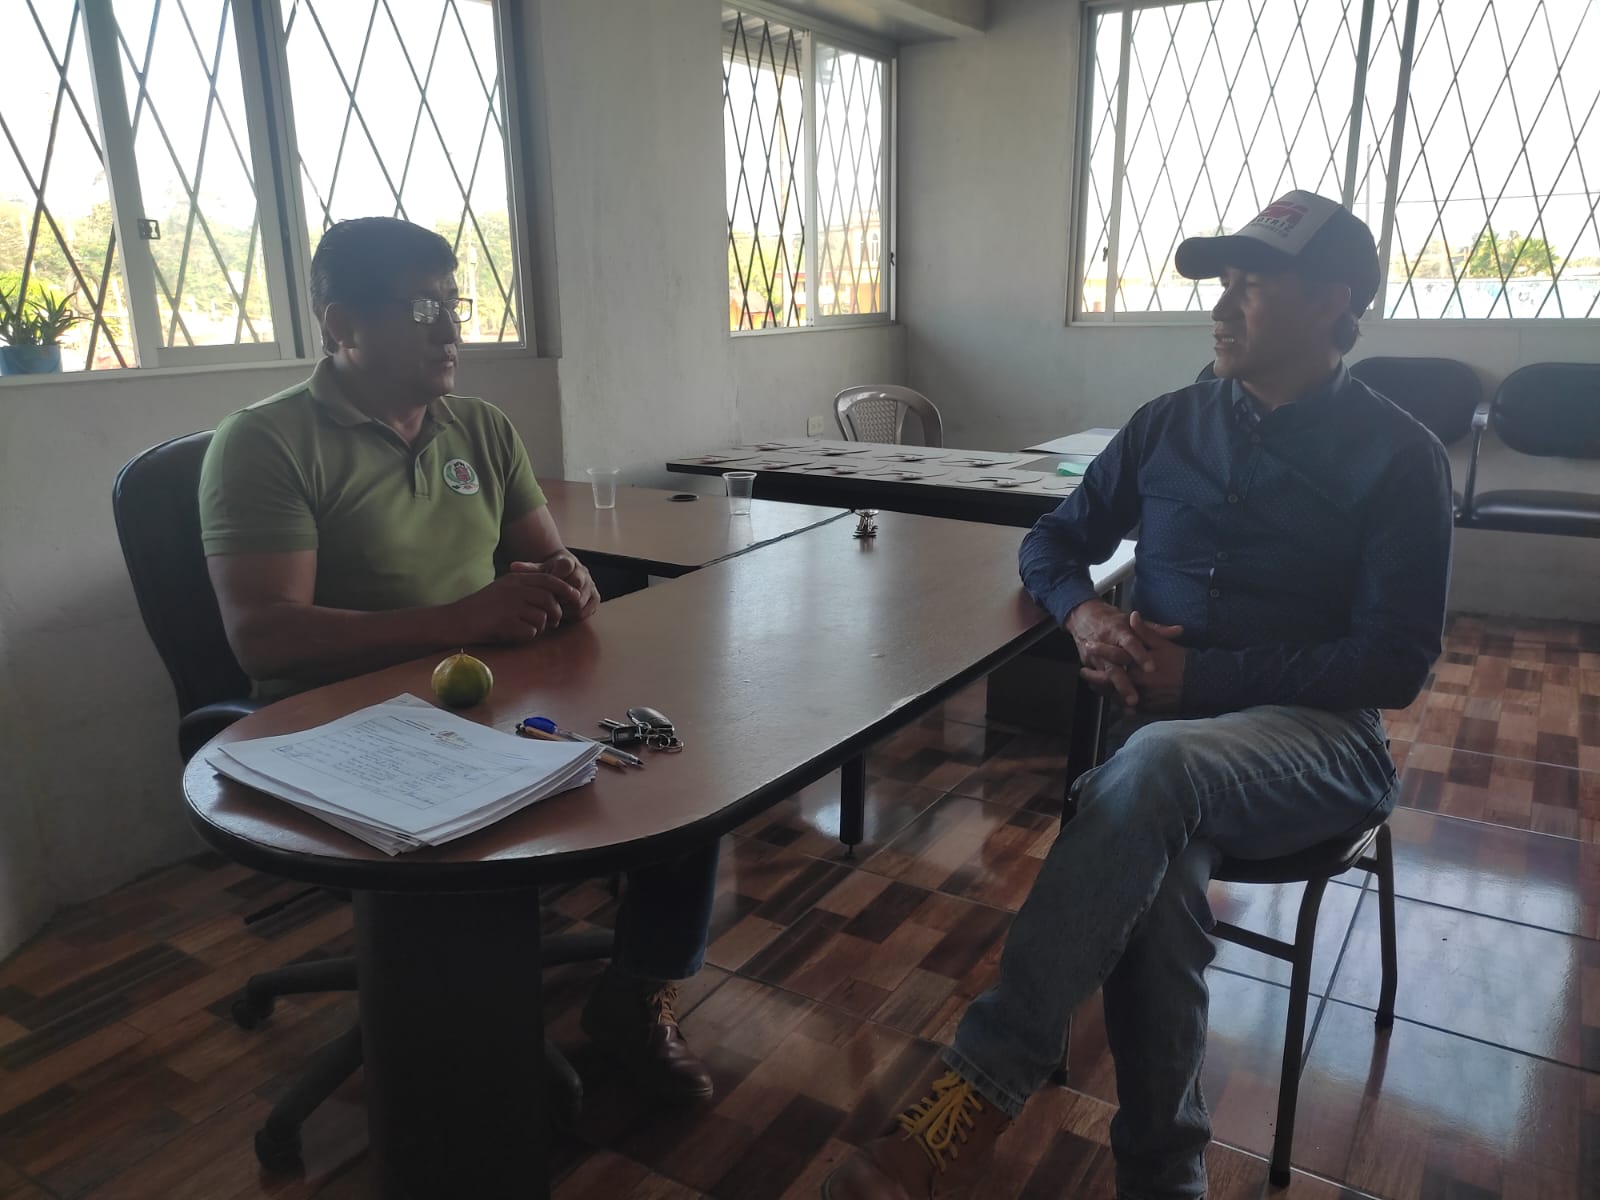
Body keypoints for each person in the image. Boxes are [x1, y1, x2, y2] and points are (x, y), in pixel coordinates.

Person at [824, 191, 1454, 1199]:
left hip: (1321, 746)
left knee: (1152, 763)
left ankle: (974, 1093)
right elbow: (1051, 541)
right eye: (1221, 281)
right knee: (1154, 875)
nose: (1222, 304)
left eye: (1252, 284)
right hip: (1163, 758)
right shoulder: (1169, 423)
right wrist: (1085, 617)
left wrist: (1201, 678)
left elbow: (1394, 664)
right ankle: (1167, 1180)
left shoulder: (1399, 456)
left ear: (1334, 299)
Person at [199, 216, 717, 1103]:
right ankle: (462, 1066)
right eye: (421, 308)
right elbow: (266, 636)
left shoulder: (480, 427)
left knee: (681, 775)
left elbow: (548, 561)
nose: (450, 330)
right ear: (341, 324)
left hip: (485, 701)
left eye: (454, 303)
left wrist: (569, 583)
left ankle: (636, 993)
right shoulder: (265, 442)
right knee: (504, 830)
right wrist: (459, 619)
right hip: (343, 721)